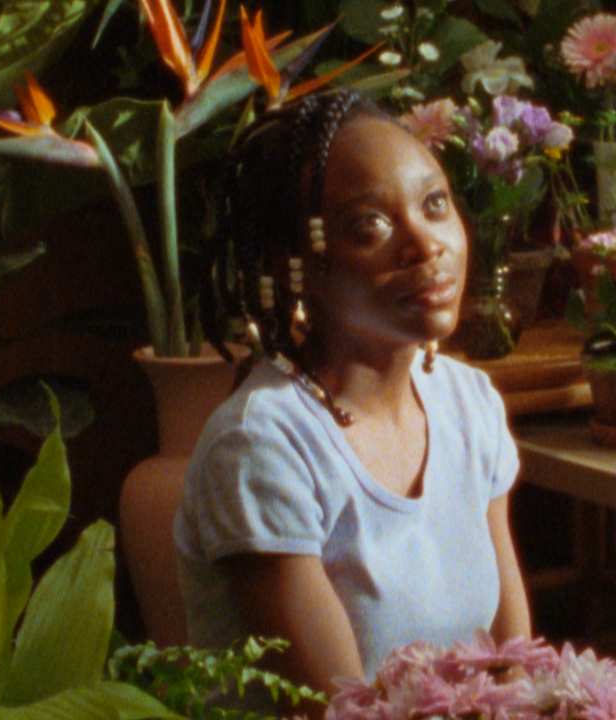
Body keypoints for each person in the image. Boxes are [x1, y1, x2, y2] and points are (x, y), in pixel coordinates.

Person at [173, 90, 531, 708]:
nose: (425, 245)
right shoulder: (261, 445)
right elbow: (336, 710)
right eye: (371, 225)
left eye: (435, 204)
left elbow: (514, 667)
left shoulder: (469, 404)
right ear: (296, 263)